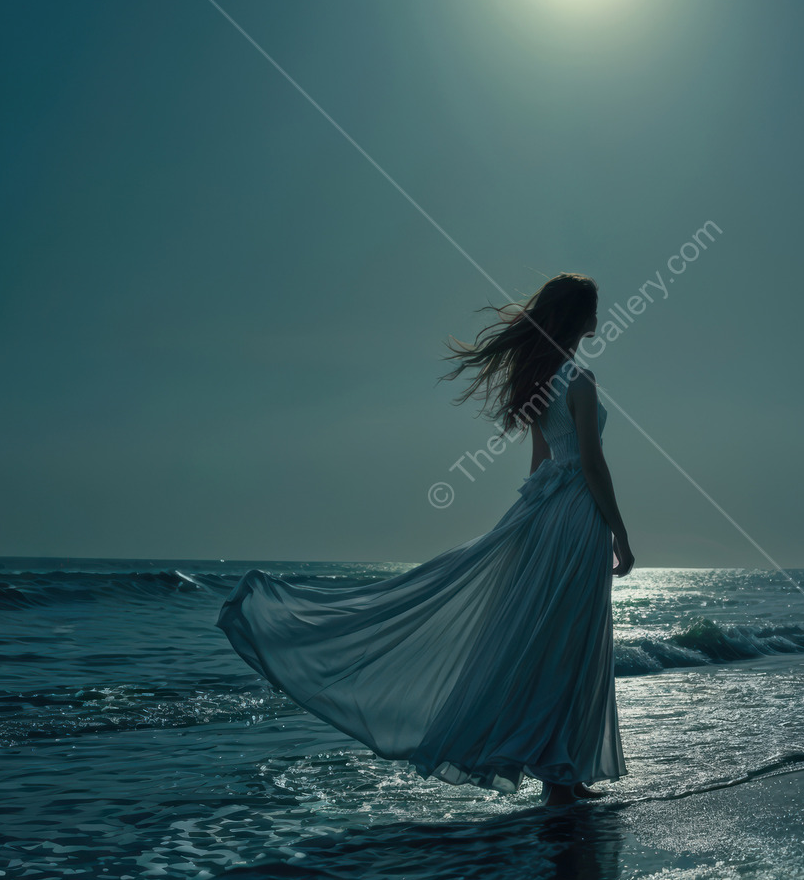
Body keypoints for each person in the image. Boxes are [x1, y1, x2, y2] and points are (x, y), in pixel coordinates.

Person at [217, 272, 631, 806]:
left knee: (552, 642)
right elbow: (591, 466)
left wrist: (524, 523)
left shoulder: (543, 378)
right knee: (567, 642)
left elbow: (539, 463)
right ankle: (561, 778)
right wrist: (620, 531)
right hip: (577, 516)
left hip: (550, 513)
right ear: (583, 318)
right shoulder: (579, 379)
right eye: (596, 309)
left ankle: (562, 774)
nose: (601, 317)